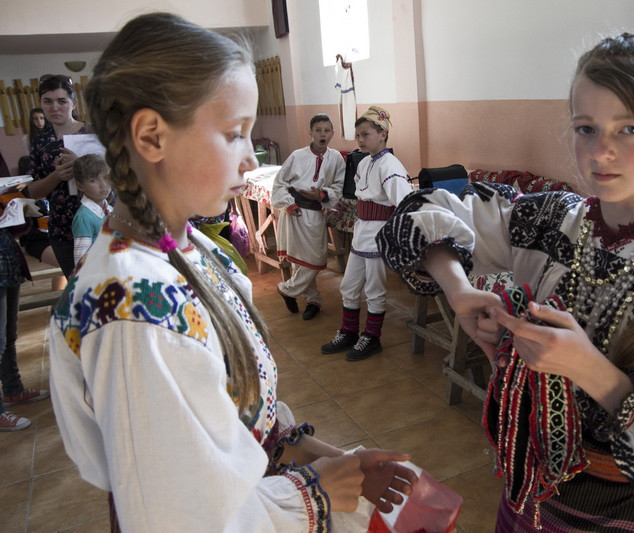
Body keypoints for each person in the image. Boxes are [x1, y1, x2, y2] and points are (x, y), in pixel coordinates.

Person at [377, 31, 634, 531]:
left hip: (621, 517)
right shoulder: (550, 221)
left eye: (630, 129)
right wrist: (459, 290)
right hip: (524, 496)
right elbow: (425, 211)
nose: (601, 151)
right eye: (586, 128)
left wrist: (592, 371)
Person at [48, 12, 416, 532]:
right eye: (234, 134)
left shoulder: (188, 247)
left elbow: (238, 421)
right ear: (152, 135)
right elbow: (173, 515)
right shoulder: (134, 313)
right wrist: (314, 491)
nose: (250, 159)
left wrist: (335, 459)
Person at [321, 106, 413, 361]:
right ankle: (349, 332)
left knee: (374, 288)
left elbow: (404, 203)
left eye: (365, 134)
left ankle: (372, 337)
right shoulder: (365, 162)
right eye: (358, 135)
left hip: (378, 234)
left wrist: (396, 237)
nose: (360, 140)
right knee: (349, 285)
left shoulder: (390, 165)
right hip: (362, 231)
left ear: (382, 133)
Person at [272, 114, 345, 320]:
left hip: (315, 213)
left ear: (332, 133)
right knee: (300, 259)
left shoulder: (336, 158)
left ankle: (287, 289)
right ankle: (312, 299)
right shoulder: (297, 155)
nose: (323, 134)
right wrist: (289, 203)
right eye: (318, 130)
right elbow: (279, 184)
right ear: (310, 132)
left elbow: (337, 187)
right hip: (294, 212)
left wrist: (321, 195)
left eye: (327, 130)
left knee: (315, 258)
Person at [26, 74, 90, 276]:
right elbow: (32, 191)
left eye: (62, 101)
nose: (55, 108)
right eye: (48, 101)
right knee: (76, 287)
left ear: (74, 103)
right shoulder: (40, 141)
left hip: (98, 222)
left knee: (108, 286)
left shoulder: (92, 133)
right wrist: (56, 176)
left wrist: (81, 166)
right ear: (41, 104)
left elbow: (117, 179)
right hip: (63, 228)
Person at [0, 201, 50, 431]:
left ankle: (13, 389)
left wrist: (19, 213)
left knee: (9, 335)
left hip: (8, 266)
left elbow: (15, 231)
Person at [71, 154, 111, 264]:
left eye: (106, 177)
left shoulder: (110, 210)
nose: (103, 185)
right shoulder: (84, 217)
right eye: (93, 180)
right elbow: (81, 261)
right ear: (80, 186)